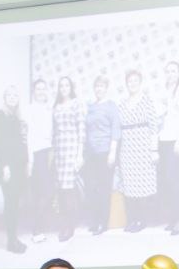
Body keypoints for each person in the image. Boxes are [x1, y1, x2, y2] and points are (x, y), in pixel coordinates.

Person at [117, 69, 159, 233]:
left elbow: (154, 126)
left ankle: (141, 220)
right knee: (129, 183)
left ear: (140, 83)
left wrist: (153, 149)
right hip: (127, 146)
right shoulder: (122, 103)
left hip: (142, 145)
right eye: (129, 81)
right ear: (126, 84)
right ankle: (132, 219)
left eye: (135, 81)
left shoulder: (147, 101)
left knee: (141, 183)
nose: (132, 84)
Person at [81, 75, 120, 236]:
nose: (99, 89)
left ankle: (102, 223)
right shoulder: (90, 107)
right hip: (91, 153)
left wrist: (112, 152)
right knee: (91, 188)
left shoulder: (111, 106)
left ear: (106, 89)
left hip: (105, 152)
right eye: (97, 86)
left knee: (104, 189)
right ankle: (95, 220)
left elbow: (116, 130)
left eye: (102, 86)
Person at [0, 86, 28, 253]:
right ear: (4, 98)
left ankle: (14, 239)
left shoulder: (16, 117)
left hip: (19, 166)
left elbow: (20, 142)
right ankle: (11, 241)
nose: (13, 97)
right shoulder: (0, 116)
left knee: (15, 202)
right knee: (10, 202)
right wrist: (4, 166)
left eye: (15, 95)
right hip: (8, 167)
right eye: (9, 95)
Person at [157, 61, 179, 234]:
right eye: (168, 71)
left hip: (177, 141)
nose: (171, 74)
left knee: (175, 180)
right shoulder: (163, 92)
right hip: (164, 139)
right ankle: (172, 218)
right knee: (167, 181)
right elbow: (159, 116)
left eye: (174, 71)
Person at [52, 76, 85, 242]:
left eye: (66, 85)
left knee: (69, 190)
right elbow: (55, 131)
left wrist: (79, 154)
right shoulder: (56, 106)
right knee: (61, 191)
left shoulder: (76, 104)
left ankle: (70, 225)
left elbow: (81, 129)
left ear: (70, 87)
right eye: (61, 85)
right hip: (59, 151)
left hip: (72, 149)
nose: (64, 88)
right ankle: (64, 223)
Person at [25, 78, 53, 243]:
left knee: (47, 191)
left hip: (47, 153)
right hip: (35, 154)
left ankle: (40, 227)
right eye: (38, 89)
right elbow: (28, 136)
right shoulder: (29, 110)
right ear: (34, 91)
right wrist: (30, 160)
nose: (41, 91)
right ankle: (36, 231)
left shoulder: (48, 109)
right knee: (39, 193)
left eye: (44, 88)